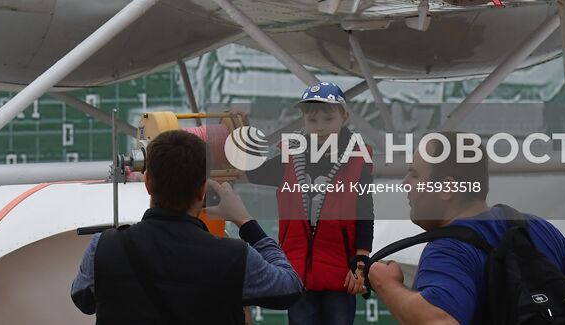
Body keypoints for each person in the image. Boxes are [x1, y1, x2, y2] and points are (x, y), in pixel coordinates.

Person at [70, 128, 302, 323]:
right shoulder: (235, 257)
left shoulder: (103, 246)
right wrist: (246, 222)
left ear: (148, 182)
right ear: (202, 189)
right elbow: (289, 288)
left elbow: (83, 299)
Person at [369, 134, 565, 325]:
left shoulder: (449, 250)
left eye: (415, 174)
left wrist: (387, 285)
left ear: (447, 188)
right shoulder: (537, 228)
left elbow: (439, 321)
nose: (405, 183)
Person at [247, 81, 374, 325]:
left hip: (340, 273)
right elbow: (254, 172)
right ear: (303, 119)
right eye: (312, 120)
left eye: (328, 119)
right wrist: (240, 128)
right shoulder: (289, 157)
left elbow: (365, 213)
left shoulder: (358, 161)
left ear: (344, 117)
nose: (321, 127)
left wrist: (361, 264)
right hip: (297, 272)